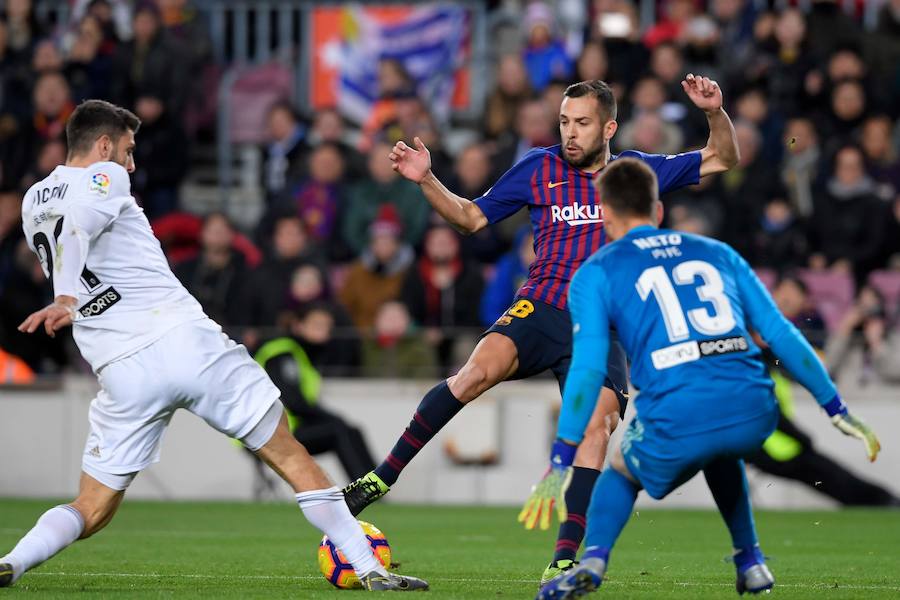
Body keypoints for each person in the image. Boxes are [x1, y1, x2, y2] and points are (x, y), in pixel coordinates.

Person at [1, 99, 427, 592]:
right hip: (182, 341)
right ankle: (367, 565)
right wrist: (67, 297)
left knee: (92, 508)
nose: (132, 164)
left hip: (121, 371)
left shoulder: (33, 198)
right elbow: (80, 222)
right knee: (289, 453)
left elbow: (70, 226)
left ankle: (14, 559)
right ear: (102, 146)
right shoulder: (105, 178)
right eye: (128, 150)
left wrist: (69, 298)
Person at [343, 76, 741, 586]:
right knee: (472, 375)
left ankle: (564, 558)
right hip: (541, 307)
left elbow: (721, 158)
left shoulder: (636, 173)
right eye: (564, 122)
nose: (570, 133)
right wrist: (426, 178)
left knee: (596, 429)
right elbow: (470, 219)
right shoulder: (538, 167)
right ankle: (382, 477)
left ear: (609, 127)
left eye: (582, 123)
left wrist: (714, 112)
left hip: (603, 326)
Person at [537, 158, 881, 599]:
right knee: (721, 449)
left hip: (679, 414)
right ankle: (751, 561)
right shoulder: (717, 251)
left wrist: (564, 452)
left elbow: (586, 369)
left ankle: (593, 562)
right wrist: (836, 409)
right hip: (754, 409)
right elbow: (780, 333)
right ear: (659, 211)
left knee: (620, 471)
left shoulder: (595, 272)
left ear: (604, 213)